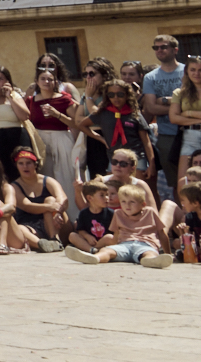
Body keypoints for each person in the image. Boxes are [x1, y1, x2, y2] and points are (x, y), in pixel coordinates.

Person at [26, 55, 85, 217]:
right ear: (37, 82)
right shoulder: (30, 101)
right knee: (45, 178)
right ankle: (51, 217)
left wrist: (57, 114)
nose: (46, 82)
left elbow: (76, 123)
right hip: (40, 141)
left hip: (62, 138)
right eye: (43, 79)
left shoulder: (64, 99)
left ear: (55, 82)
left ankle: (73, 217)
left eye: (50, 79)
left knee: (66, 177)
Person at [66, 182, 173, 266]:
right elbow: (116, 235)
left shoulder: (150, 212)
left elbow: (162, 233)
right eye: (123, 202)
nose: (127, 205)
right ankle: (95, 258)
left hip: (145, 244)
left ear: (143, 204)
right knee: (107, 251)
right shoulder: (118, 213)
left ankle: (150, 261)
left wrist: (168, 253)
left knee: (149, 253)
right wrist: (110, 247)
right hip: (124, 245)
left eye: (132, 202)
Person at [143, 35, 186, 197]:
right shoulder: (150, 77)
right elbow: (151, 107)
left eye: (163, 47)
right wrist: (178, 106)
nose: (159, 50)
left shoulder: (188, 71)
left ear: (175, 50)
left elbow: (193, 102)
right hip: (167, 135)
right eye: (156, 47)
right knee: (176, 182)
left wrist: (165, 100)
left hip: (190, 130)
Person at [168, 56, 201, 184]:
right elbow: (174, 118)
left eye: (200, 70)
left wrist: (188, 113)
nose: (196, 73)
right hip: (189, 137)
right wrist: (197, 121)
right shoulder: (179, 93)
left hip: (189, 129)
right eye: (193, 70)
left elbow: (180, 116)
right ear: (187, 71)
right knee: (184, 180)